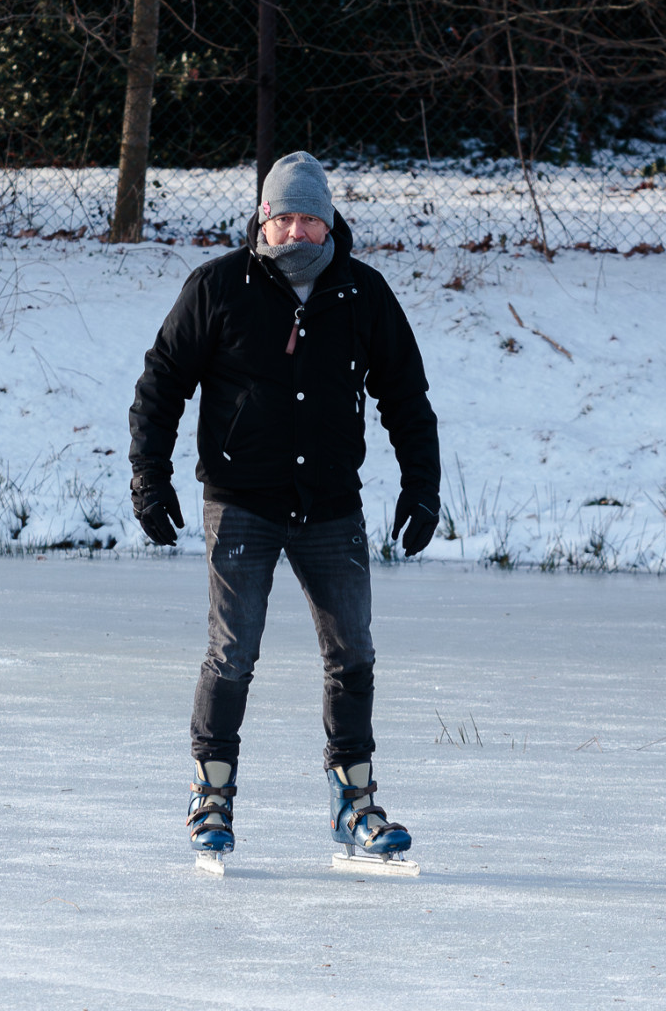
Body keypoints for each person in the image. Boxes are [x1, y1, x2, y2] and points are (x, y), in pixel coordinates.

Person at [128, 151, 440, 869]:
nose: (298, 232)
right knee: (232, 653)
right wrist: (150, 477)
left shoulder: (362, 293)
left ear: (330, 223)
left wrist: (421, 485)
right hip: (242, 500)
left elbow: (405, 395)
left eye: (311, 219)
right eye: (286, 217)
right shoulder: (218, 287)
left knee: (352, 652)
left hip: (330, 505)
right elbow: (162, 383)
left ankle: (354, 805)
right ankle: (211, 796)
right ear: (263, 220)